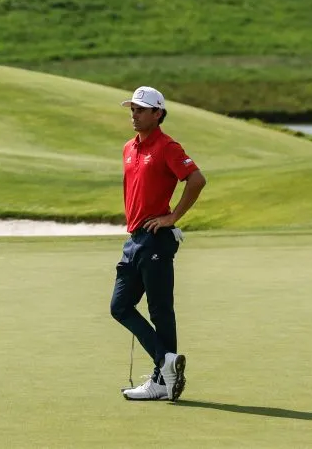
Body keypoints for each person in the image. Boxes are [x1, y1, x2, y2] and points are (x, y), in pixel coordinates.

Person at [113, 86, 206, 401]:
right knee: (120, 306)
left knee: (160, 311)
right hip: (134, 239)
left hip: (156, 238)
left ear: (158, 113)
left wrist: (172, 217)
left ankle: (161, 381)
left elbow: (196, 180)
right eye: (133, 109)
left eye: (141, 109)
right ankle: (165, 360)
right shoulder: (129, 147)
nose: (134, 114)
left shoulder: (168, 146)